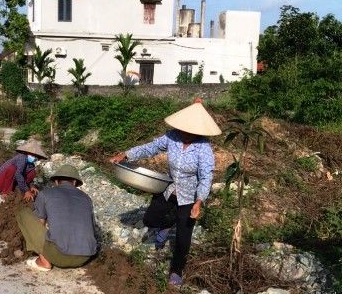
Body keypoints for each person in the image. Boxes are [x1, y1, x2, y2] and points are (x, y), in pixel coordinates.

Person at [110, 99, 220, 287]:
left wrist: (199, 201)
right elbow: (150, 147)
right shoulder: (172, 137)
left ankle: (176, 271)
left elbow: (206, 177)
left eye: (192, 131)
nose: (187, 133)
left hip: (189, 197)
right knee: (150, 220)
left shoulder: (204, 149)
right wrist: (126, 154)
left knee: (183, 238)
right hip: (168, 190)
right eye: (185, 129)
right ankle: (168, 223)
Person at [16, 165, 98, 272]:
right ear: (74, 182)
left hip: (59, 257)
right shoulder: (87, 198)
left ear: (56, 182)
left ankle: (44, 261)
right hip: (85, 257)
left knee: (24, 213)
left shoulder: (46, 193)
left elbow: (39, 223)